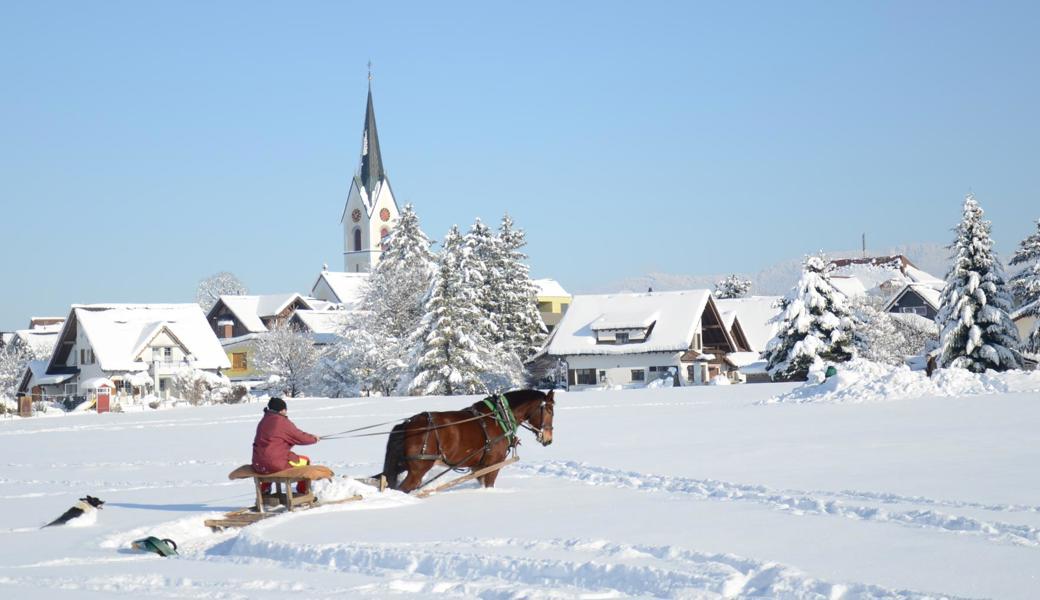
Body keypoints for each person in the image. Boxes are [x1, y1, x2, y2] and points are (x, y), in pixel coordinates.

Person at [252, 397, 320, 494]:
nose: (286, 411)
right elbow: (299, 437)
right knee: (305, 461)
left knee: (269, 462)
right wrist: (314, 439)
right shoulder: (281, 422)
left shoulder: (264, 421)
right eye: (285, 409)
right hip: (275, 464)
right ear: (281, 410)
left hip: (258, 463)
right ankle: (303, 492)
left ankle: (265, 490)